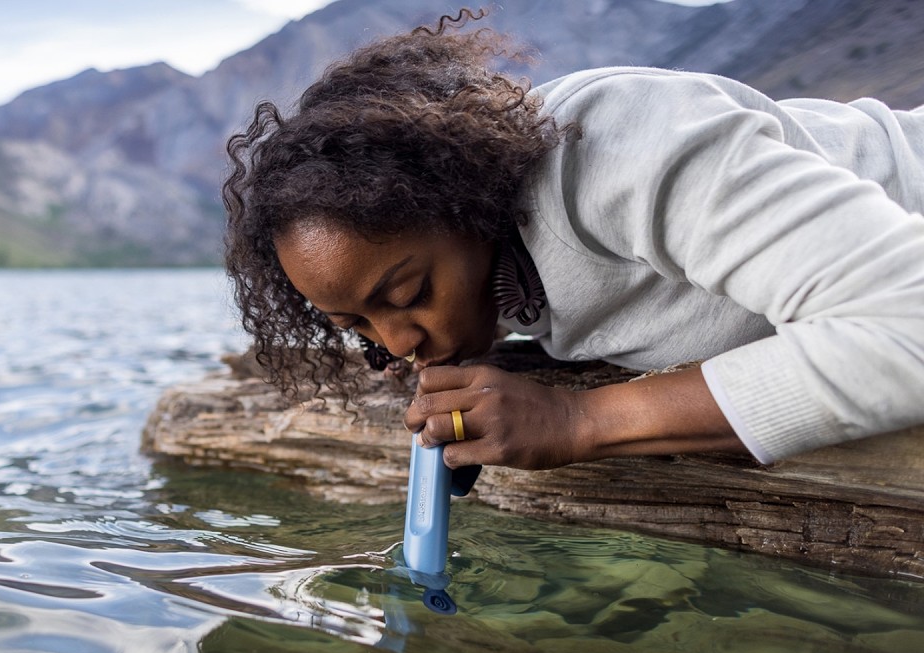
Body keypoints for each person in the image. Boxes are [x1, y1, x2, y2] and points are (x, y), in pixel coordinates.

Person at [221, 10, 924, 472]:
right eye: (359, 328)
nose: (398, 343)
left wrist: (580, 420)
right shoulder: (491, 266)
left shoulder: (615, 147)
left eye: (407, 294)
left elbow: (908, 325)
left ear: (465, 200)